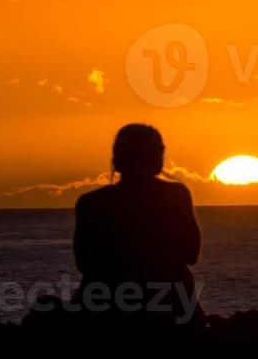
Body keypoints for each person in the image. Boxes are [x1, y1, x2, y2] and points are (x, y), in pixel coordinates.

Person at [72, 124, 202, 322]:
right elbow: (191, 254)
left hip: (107, 306)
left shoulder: (91, 203)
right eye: (159, 151)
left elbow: (84, 263)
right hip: (167, 304)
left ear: (117, 159)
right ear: (157, 157)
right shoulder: (176, 195)